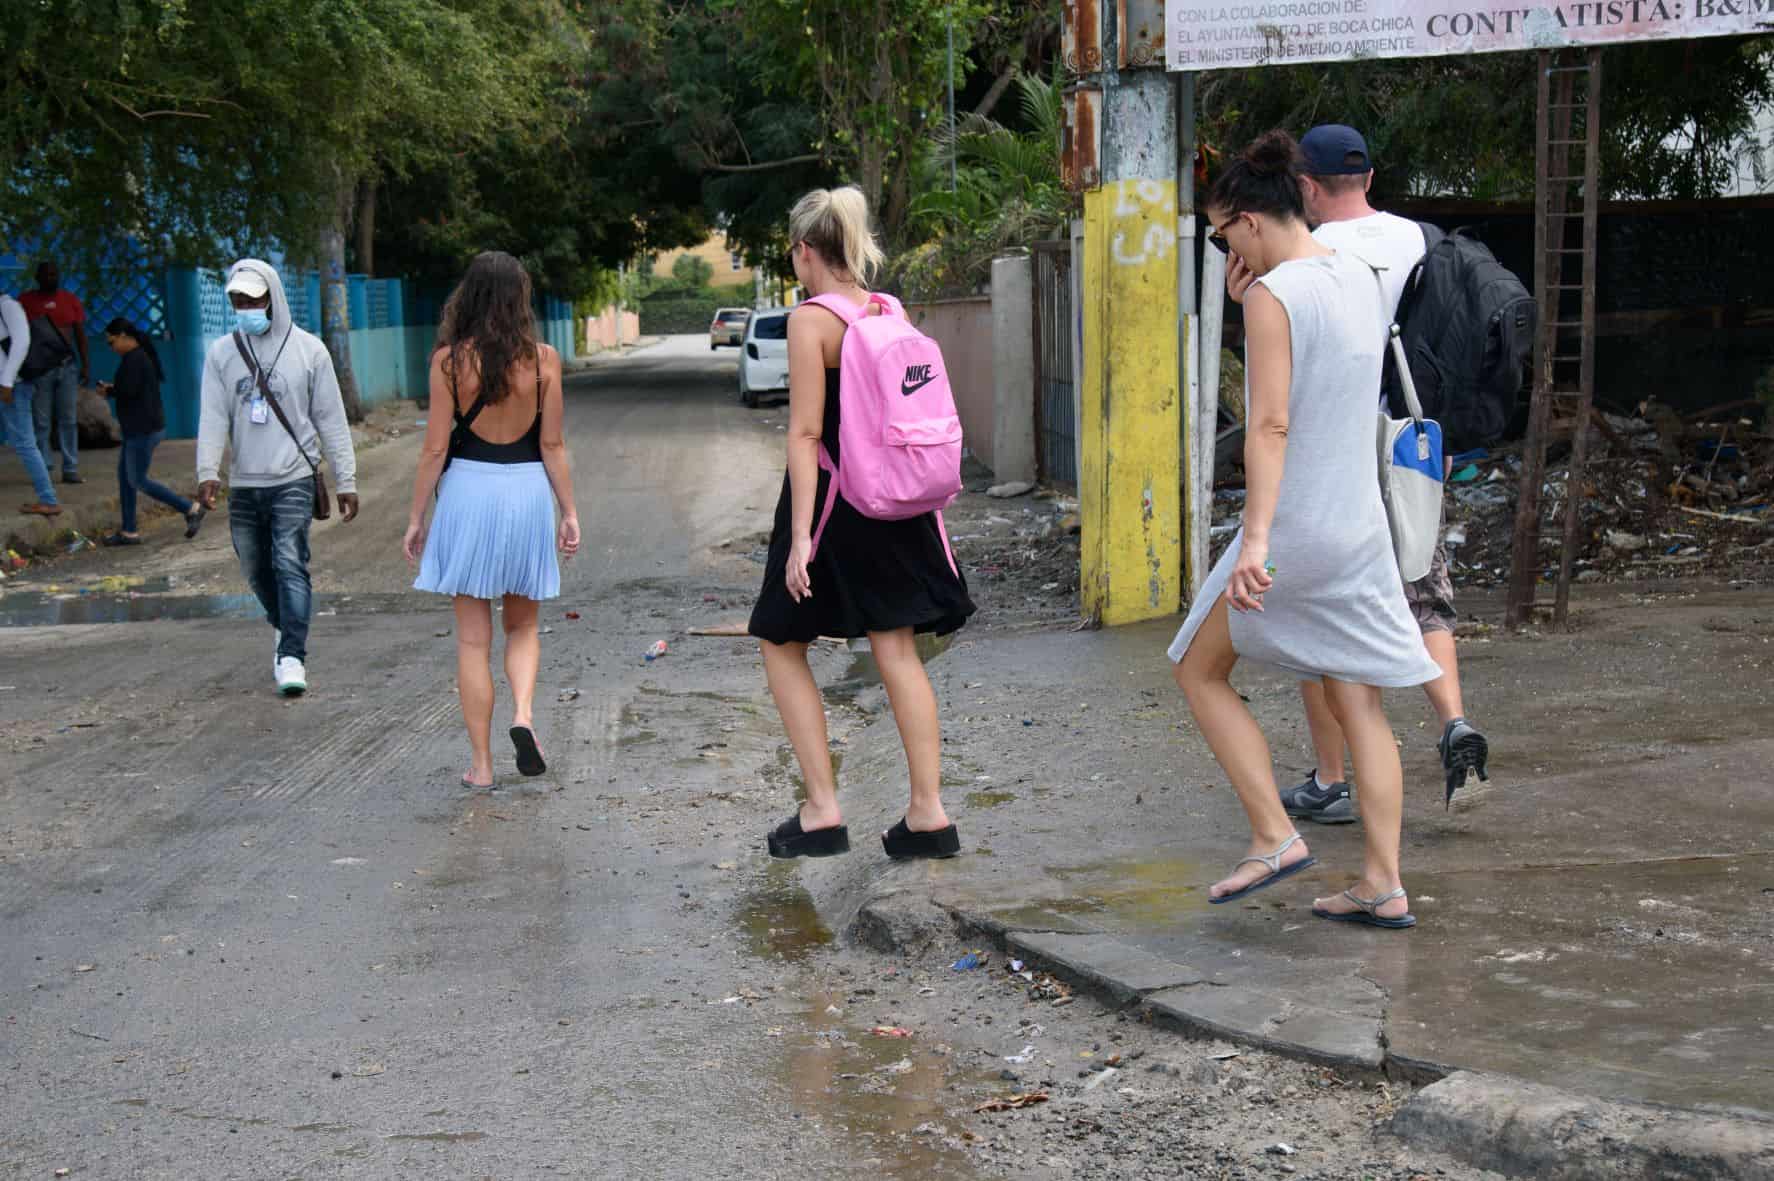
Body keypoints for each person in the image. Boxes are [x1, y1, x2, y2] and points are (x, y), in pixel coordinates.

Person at [1168, 131, 1441, 930]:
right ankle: (1383, 882)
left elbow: (1271, 424)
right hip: (1359, 530)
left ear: (1250, 221)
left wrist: (1254, 541)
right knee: (1359, 700)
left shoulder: (1270, 298)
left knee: (1197, 667)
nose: (1226, 248)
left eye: (1224, 233)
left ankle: (1273, 832)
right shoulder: (1357, 276)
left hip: (1293, 533)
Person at [1243, 124, 1488, 821]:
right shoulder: (1421, 240)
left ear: (1306, 188)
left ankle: (1331, 776)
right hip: (1413, 441)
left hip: (1342, 457)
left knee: (1322, 617)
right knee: (1424, 582)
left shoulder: (1311, 258)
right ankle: (1452, 720)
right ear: (1371, 178)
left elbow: (1286, 372)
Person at [748, 186, 974, 861]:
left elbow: (806, 433)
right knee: (896, 649)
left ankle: (821, 808)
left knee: (779, 637)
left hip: (836, 502)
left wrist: (801, 539)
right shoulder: (886, 309)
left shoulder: (810, 321)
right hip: (898, 502)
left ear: (804, 251)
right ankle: (928, 813)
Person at [404, 252, 579, 790]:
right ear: (519, 298)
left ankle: (481, 768)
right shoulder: (544, 360)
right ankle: (523, 715)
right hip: (526, 491)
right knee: (522, 625)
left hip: (467, 493)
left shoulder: (449, 363)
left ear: (470, 297)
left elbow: (435, 449)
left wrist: (416, 517)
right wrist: (568, 510)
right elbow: (551, 444)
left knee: (473, 641)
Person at [196, 260, 359, 697]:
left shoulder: (309, 351)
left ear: (273, 298)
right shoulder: (221, 354)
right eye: (238, 301)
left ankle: (292, 656)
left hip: (293, 478)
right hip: (245, 483)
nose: (246, 307)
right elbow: (212, 416)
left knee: (289, 562)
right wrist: (207, 471)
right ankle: (283, 625)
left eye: (253, 299)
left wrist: (347, 480)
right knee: (254, 568)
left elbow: (331, 419)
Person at [97, 318, 207, 546]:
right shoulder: (134, 358)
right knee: (126, 480)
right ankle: (129, 531)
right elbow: (131, 390)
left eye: (112, 342)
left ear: (125, 336)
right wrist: (113, 389)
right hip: (139, 428)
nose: (111, 347)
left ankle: (190, 508)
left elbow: (129, 391)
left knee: (138, 480)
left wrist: (110, 390)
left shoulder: (136, 360)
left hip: (142, 429)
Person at [18, 261, 91, 484]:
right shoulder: (25, 302)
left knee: (68, 419)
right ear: (37, 277)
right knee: (41, 421)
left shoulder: (70, 300)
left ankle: (70, 468)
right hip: (40, 370)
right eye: (47, 274)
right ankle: (45, 469)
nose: (51, 277)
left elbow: (79, 334)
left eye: (54, 274)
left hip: (67, 367)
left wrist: (85, 364)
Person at [1, 292, 62, 516]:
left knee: (25, 443)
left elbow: (22, 342)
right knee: (22, 442)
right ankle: (48, 498)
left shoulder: (8, 307)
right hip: (7, 386)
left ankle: (48, 499)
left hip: (13, 387)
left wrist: (7, 381)